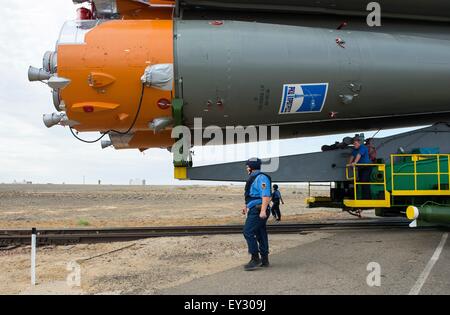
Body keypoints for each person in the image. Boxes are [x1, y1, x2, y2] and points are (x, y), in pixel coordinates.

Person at [242, 158, 272, 271]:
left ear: (251, 167)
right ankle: (264, 259)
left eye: (247, 166)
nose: (246, 168)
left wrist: (263, 210)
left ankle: (255, 259)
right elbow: (252, 195)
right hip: (255, 208)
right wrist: (246, 206)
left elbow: (266, 195)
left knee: (248, 231)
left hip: (259, 209)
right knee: (260, 232)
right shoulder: (254, 177)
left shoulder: (261, 178)